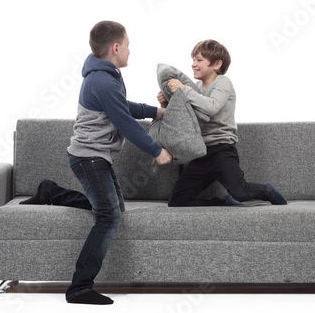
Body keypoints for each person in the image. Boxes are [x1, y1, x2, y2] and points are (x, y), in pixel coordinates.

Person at [64, 20, 172, 305]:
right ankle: (79, 288)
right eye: (127, 45)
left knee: (115, 209)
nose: (129, 50)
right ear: (115, 48)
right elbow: (125, 122)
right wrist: (156, 150)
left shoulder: (106, 76)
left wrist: (155, 111)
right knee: (109, 216)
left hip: (94, 157)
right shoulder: (102, 80)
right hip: (89, 158)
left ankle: (51, 192)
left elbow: (122, 107)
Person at [158, 39, 287, 207]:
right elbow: (185, 119)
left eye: (199, 60)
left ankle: (267, 190)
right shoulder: (195, 88)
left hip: (221, 150)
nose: (193, 65)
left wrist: (183, 89)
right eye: (193, 60)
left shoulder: (222, 83)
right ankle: (222, 201)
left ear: (217, 64)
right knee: (176, 201)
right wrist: (166, 104)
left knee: (241, 192)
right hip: (200, 153)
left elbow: (211, 107)